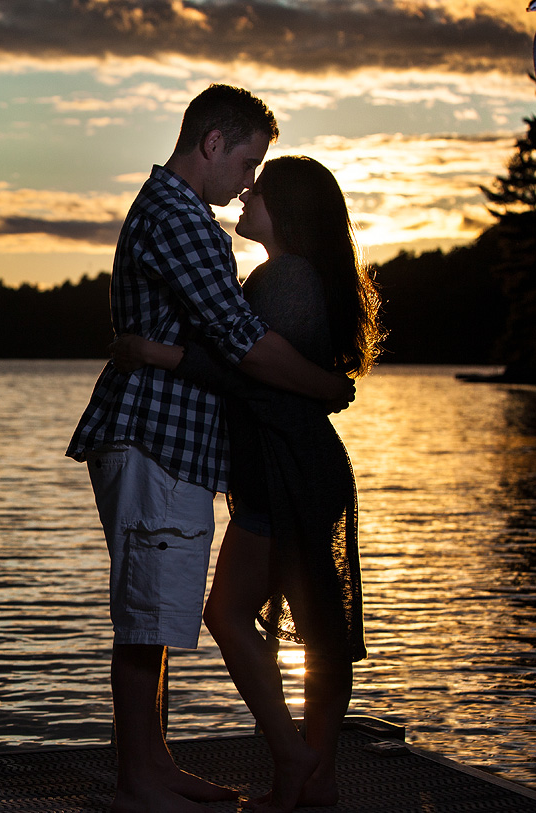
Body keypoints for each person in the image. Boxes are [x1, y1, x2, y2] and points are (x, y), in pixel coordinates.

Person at [66, 84, 354, 813]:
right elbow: (245, 347)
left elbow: (231, 345)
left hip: (174, 446)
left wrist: (159, 353)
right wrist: (325, 384)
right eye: (248, 161)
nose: (250, 179)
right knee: (147, 616)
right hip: (156, 442)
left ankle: (154, 766)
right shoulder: (182, 220)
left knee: (156, 615)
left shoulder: (184, 217)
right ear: (213, 144)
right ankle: (146, 777)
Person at [115, 155, 382, 812]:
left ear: (285, 209)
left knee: (229, 614)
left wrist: (159, 352)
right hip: (292, 468)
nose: (245, 194)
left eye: (259, 190)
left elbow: (248, 367)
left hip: (286, 472)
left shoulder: (285, 278)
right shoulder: (297, 277)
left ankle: (299, 762)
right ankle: (317, 776)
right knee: (317, 624)